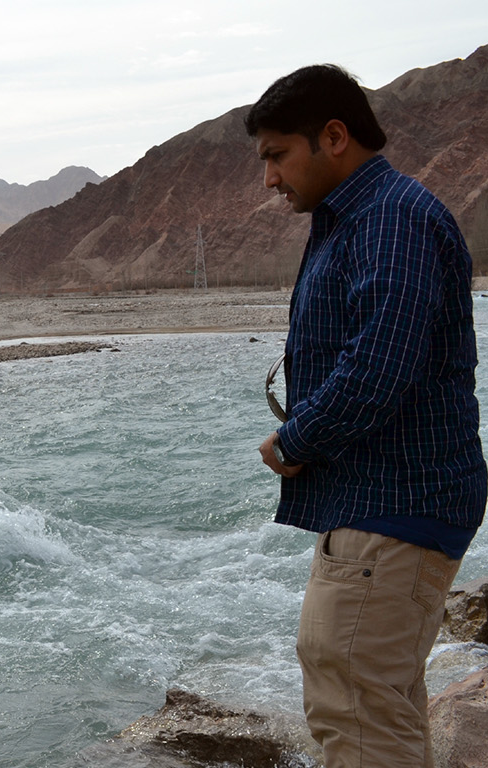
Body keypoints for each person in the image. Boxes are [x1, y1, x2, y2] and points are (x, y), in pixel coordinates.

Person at [247, 64, 486, 767]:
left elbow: (378, 370)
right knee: (379, 706)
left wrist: (294, 438)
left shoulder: (391, 219)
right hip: (393, 507)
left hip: (396, 509)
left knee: (351, 707)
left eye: (277, 155)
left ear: (334, 137)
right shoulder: (368, 216)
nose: (269, 179)